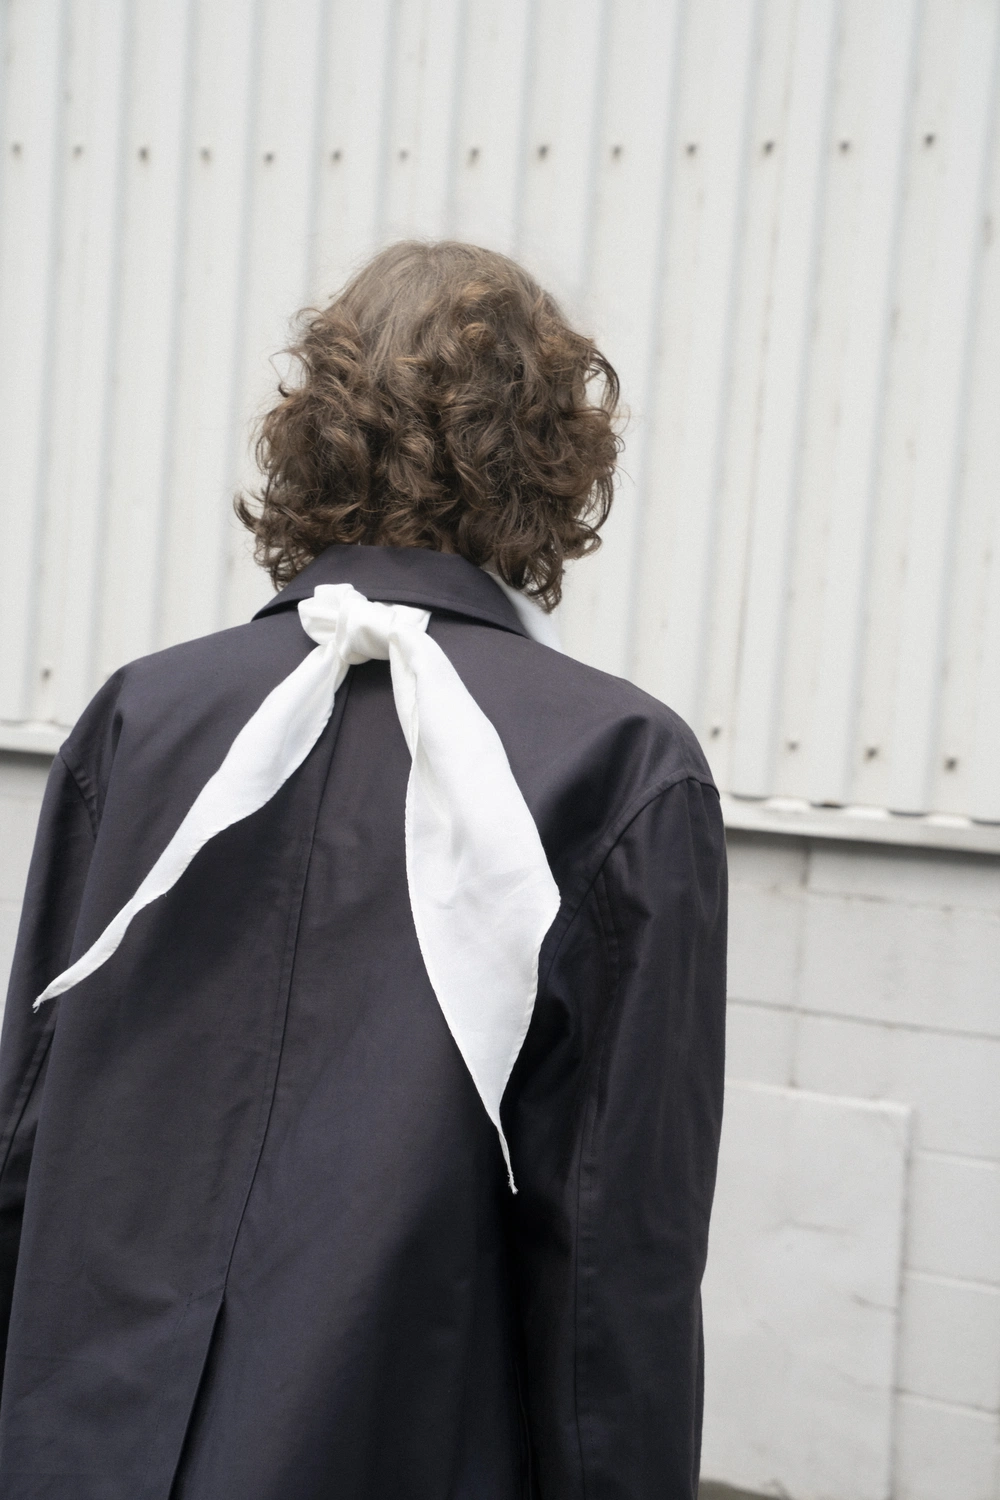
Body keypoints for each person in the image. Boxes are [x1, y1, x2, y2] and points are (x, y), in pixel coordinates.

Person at [0, 240, 726, 1499]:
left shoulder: (141, 720)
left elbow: (23, 1131)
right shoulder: (616, 762)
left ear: (314, 433)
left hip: (89, 1442)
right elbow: (613, 1249)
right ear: (552, 455)